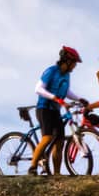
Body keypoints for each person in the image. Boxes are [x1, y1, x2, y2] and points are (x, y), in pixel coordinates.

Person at [29, 45, 82, 176]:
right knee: (47, 137)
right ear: (67, 60)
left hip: (55, 110)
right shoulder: (51, 71)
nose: (75, 66)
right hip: (44, 108)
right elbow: (38, 89)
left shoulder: (67, 75)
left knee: (59, 143)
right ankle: (33, 167)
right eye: (74, 63)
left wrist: (80, 99)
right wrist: (55, 98)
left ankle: (57, 174)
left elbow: (66, 91)